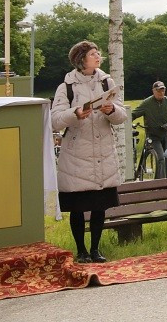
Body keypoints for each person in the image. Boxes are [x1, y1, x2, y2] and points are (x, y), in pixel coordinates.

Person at [50, 41, 127, 263]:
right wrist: (75, 113)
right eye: (93, 54)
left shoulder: (106, 82)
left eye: (98, 53)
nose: (98, 56)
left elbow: (121, 116)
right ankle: (81, 251)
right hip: (77, 154)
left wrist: (111, 110)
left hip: (103, 151)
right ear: (81, 59)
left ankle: (95, 249)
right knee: (78, 207)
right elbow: (55, 120)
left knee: (99, 205)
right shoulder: (66, 86)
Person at [131, 80, 167, 179]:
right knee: (160, 158)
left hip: (166, 135)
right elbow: (134, 114)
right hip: (153, 136)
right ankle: (159, 183)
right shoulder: (147, 103)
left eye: (163, 90)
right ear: (153, 91)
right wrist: (126, 121)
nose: (161, 93)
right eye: (158, 91)